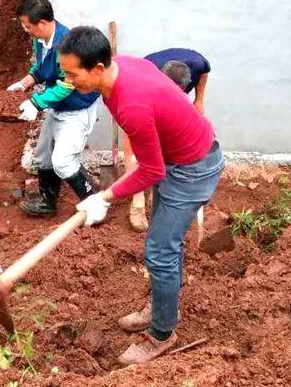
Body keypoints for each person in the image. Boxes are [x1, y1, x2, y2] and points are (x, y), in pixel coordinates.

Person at [57, 27, 224, 365]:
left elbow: (151, 171)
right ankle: (163, 304)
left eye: (73, 73)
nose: (68, 80)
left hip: (192, 169)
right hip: (177, 157)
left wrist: (105, 197)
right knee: (164, 245)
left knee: (160, 251)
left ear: (99, 68)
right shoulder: (124, 67)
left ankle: (162, 334)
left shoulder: (131, 102)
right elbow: (153, 160)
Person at [8, 0, 99, 216]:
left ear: (42, 23)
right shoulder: (40, 40)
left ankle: (96, 204)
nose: (25, 29)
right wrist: (24, 83)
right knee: (42, 155)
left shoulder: (66, 46)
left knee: (63, 162)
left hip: (76, 109)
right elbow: (40, 68)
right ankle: (47, 203)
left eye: (28, 25)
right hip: (58, 108)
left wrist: (35, 102)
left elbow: (66, 85)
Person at [125, 48, 212, 230]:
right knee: (139, 145)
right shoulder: (143, 84)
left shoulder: (196, 65)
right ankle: (138, 199)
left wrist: (199, 99)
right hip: (141, 98)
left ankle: (167, 185)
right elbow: (130, 138)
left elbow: (205, 70)